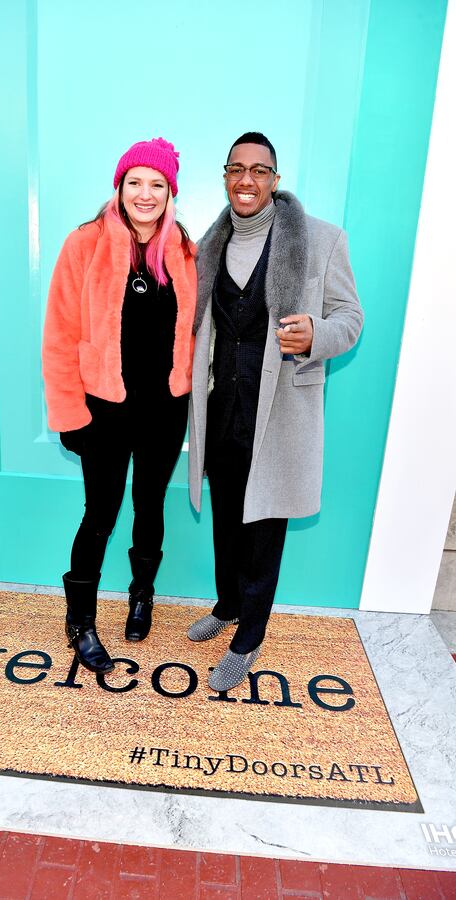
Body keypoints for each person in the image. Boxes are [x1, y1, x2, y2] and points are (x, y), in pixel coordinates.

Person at [188, 131, 363, 691]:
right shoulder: (208, 247)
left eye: (258, 171)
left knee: (264, 527)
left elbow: (350, 318)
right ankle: (228, 605)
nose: (246, 180)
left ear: (275, 178)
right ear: (225, 176)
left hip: (279, 412)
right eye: (236, 169)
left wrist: (316, 333)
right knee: (225, 518)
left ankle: (248, 637)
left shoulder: (322, 240)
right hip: (222, 409)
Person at [42, 138, 197, 675]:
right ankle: (80, 622)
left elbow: (195, 334)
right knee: (100, 515)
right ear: (120, 186)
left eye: (157, 184)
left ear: (170, 192)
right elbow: (59, 335)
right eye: (135, 182)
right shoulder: (83, 244)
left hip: (163, 410)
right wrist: (69, 414)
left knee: (150, 508)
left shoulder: (184, 250)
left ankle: (141, 595)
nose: (145, 194)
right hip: (102, 411)